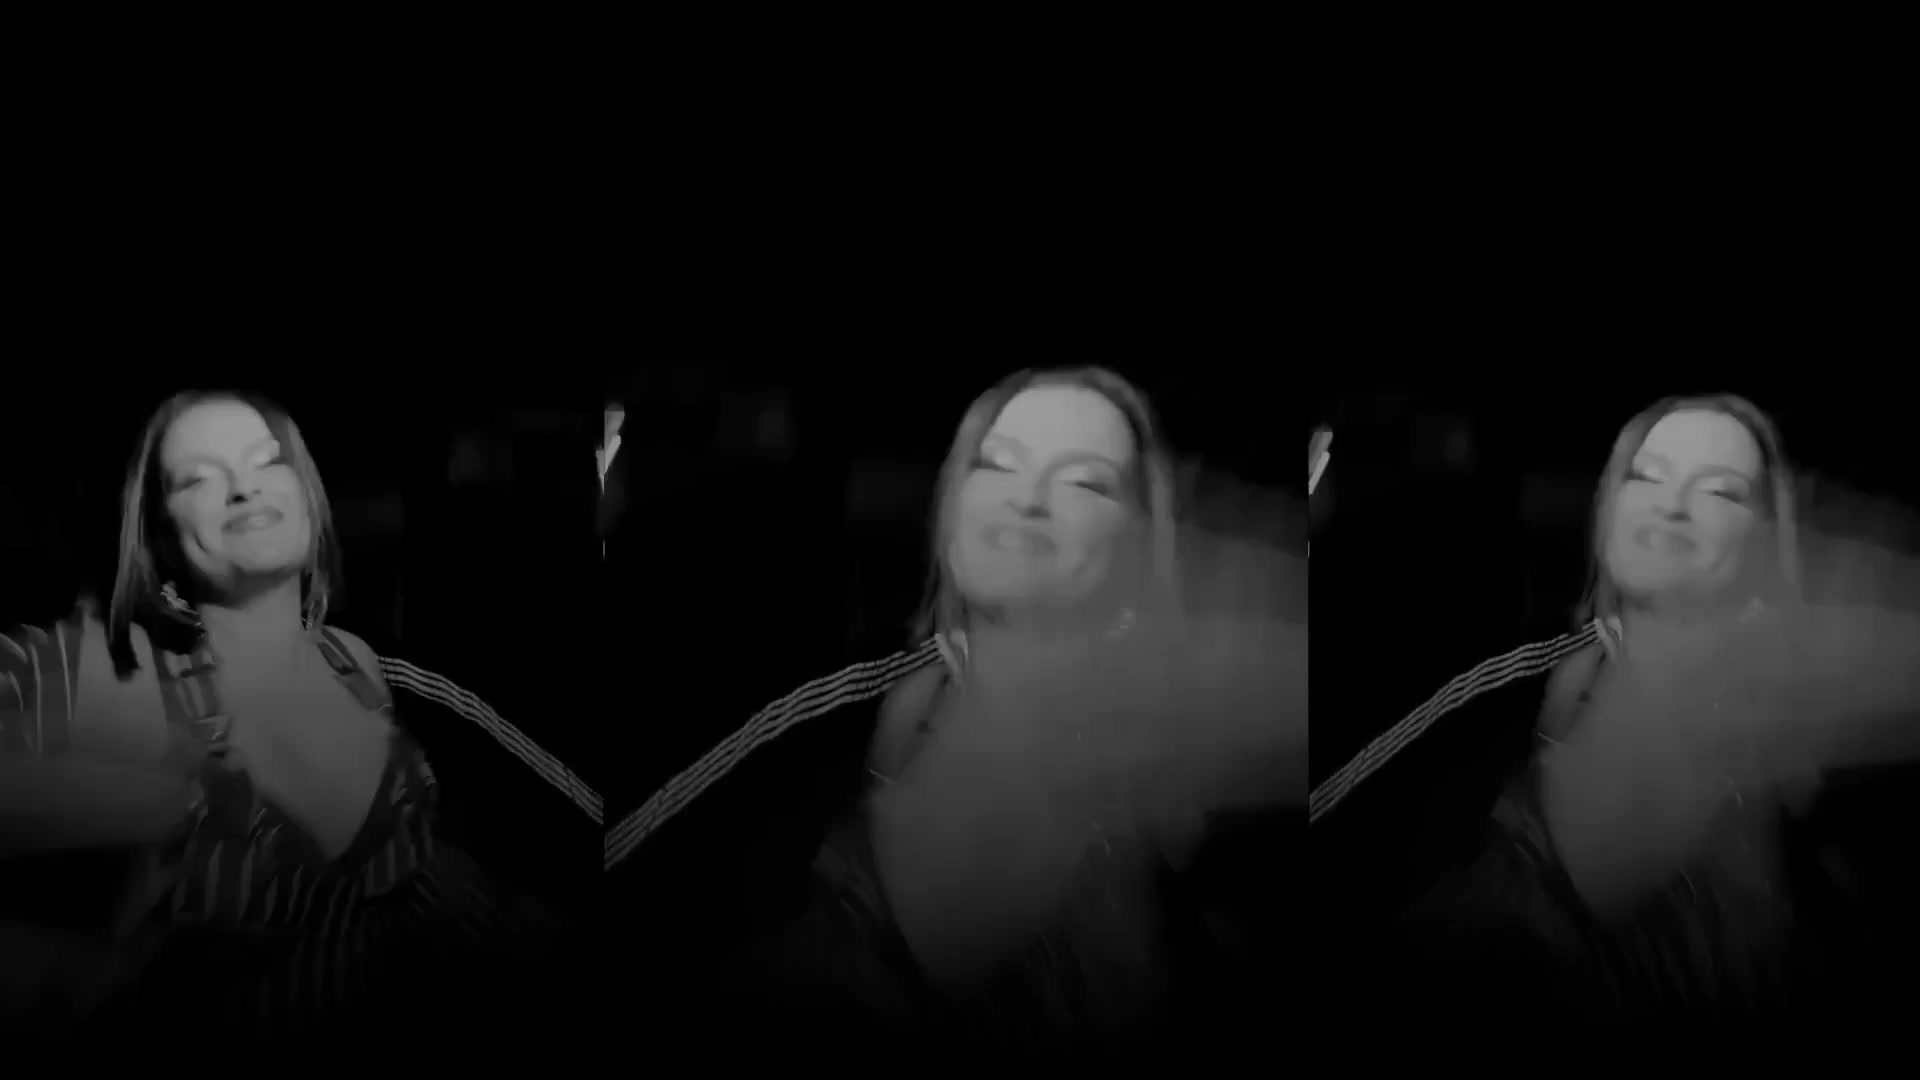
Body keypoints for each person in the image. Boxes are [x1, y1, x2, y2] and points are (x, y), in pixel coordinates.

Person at [613, 365, 1305, 1060]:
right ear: (953, 506)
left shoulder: (1183, 733)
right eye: (997, 464)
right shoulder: (851, 707)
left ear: (1137, 540)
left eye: (1084, 482)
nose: (1026, 499)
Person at [1315, 393, 1920, 1051]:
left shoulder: (1812, 780)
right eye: (1647, 475)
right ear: (1610, 508)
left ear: (1766, 543)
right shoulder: (1495, 694)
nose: (1672, 505)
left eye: (1719, 491)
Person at [0, 389, 585, 1051]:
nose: (243, 487)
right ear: (159, 532)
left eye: (266, 460)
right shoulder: (111, 672)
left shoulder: (380, 678)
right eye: (198, 478)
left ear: (309, 496)